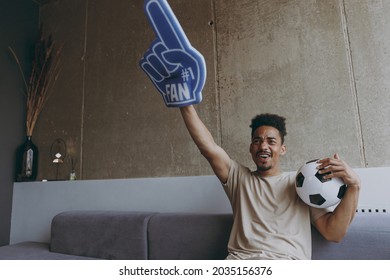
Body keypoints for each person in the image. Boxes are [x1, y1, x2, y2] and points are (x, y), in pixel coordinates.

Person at [179, 105, 361, 260]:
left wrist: (354, 186)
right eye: (257, 141)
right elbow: (208, 148)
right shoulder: (239, 178)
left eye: (271, 141)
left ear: (282, 149)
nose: (263, 146)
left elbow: (333, 233)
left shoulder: (302, 185)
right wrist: (185, 105)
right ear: (251, 148)